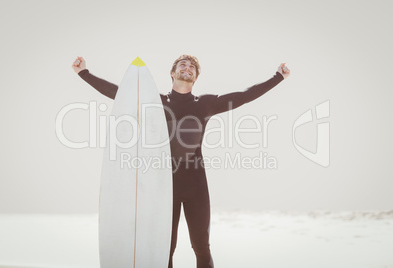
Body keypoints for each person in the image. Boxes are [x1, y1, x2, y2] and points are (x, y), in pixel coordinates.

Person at [72, 55, 290, 268]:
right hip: (165, 187)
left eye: (192, 68)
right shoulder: (155, 101)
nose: (188, 68)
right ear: (172, 72)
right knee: (165, 248)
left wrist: (277, 77)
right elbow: (121, 94)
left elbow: (244, 95)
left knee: (202, 247)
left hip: (196, 186)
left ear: (195, 77)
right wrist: (84, 73)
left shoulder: (205, 103)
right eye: (183, 65)